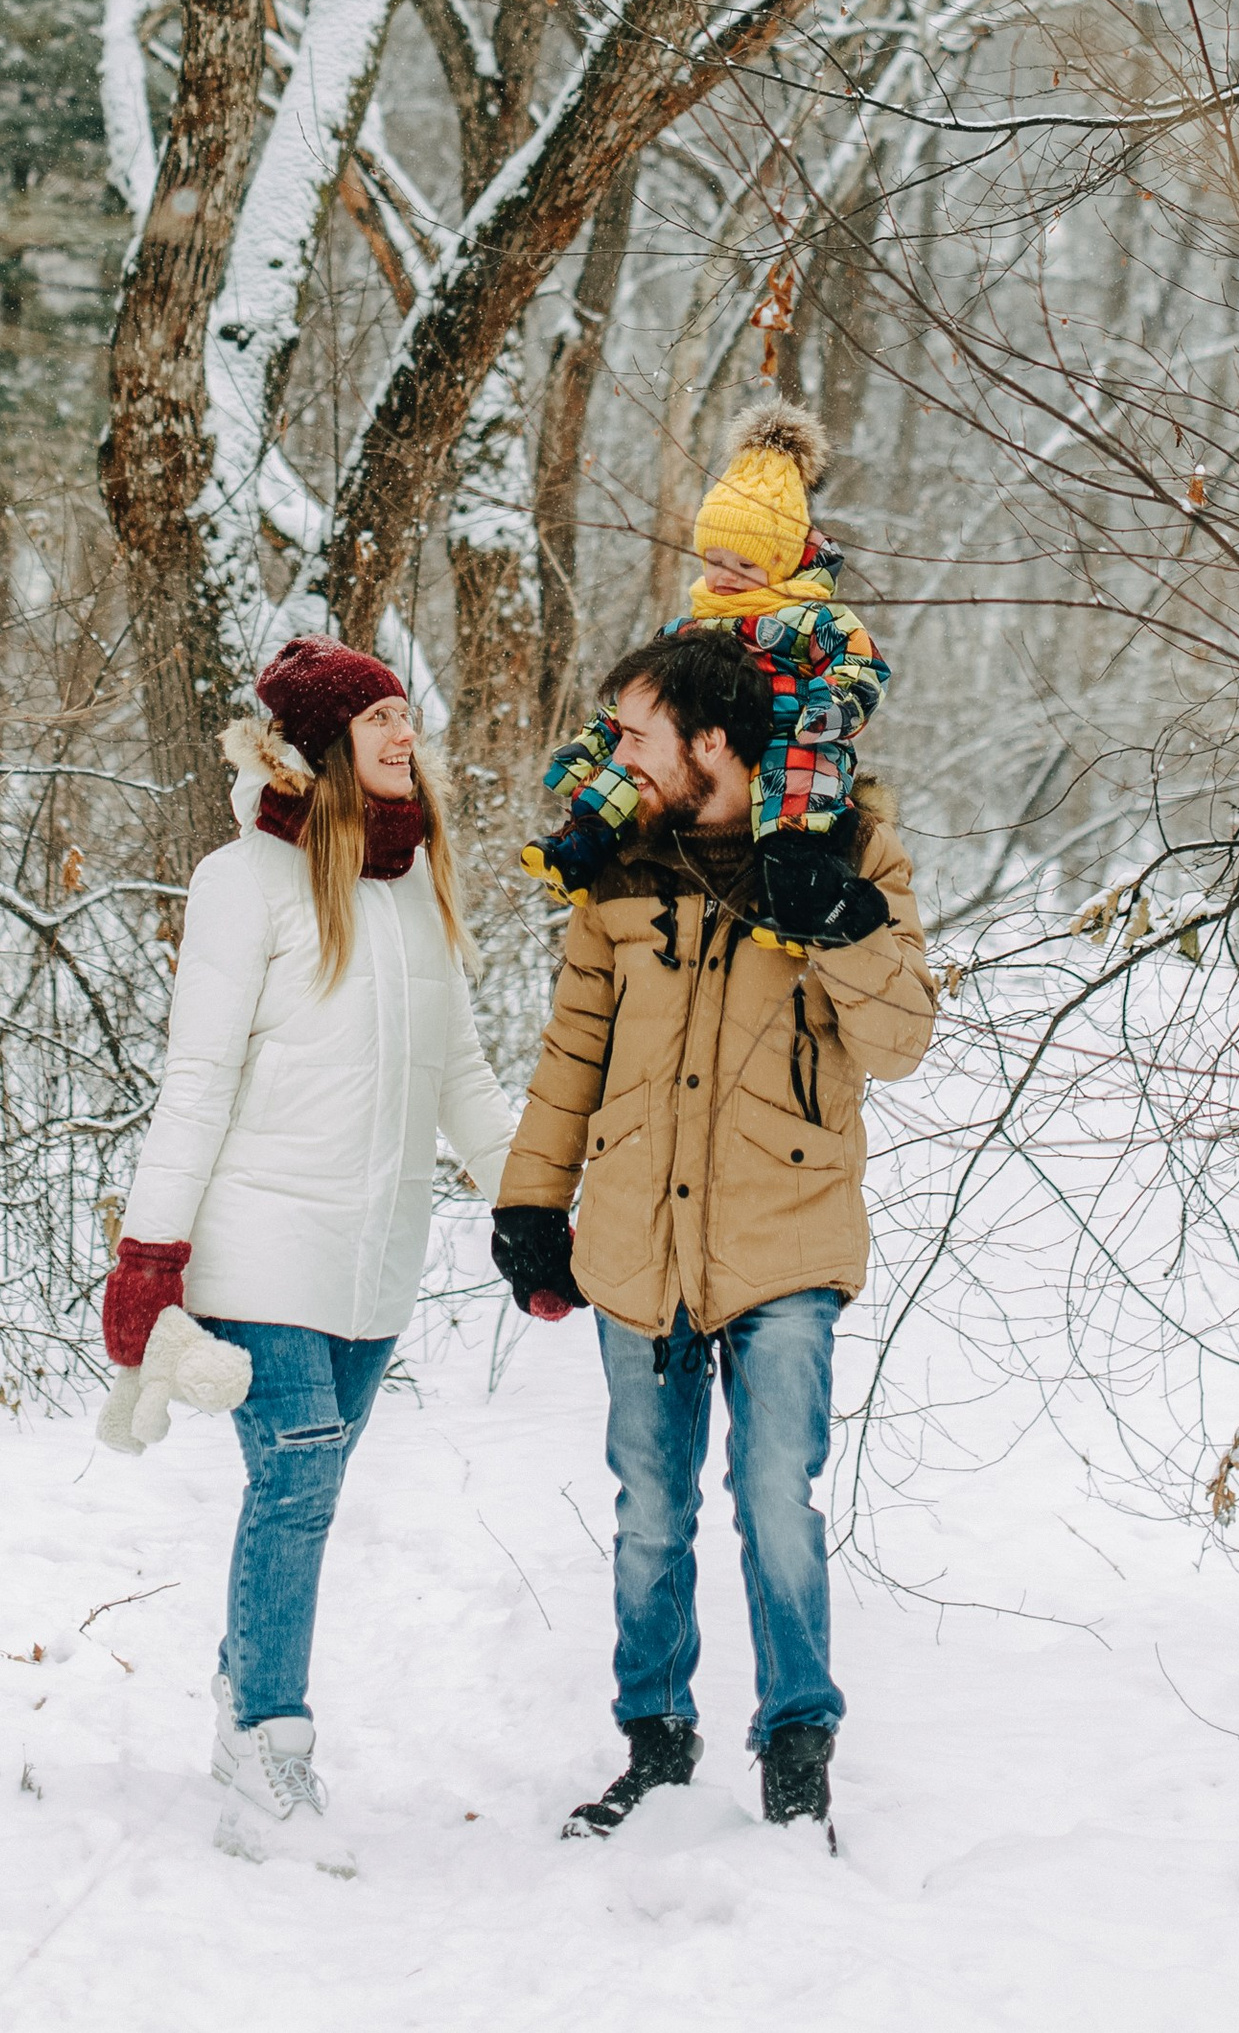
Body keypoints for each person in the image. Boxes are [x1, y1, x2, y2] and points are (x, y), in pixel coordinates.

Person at [490, 623, 937, 1848]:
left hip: (784, 1232)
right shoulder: (618, 865)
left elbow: (901, 1043)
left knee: (774, 1500)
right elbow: (573, 1044)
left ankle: (797, 1756)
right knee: (647, 1507)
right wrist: (532, 1199)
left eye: (636, 733)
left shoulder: (849, 845)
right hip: (636, 1236)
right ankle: (655, 1743)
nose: (613, 754)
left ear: (713, 743)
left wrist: (839, 920)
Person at [101, 635, 515, 1870]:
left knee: (307, 1496)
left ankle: (240, 1688)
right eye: (382, 719)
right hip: (260, 1246)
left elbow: (464, 1077)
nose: (406, 737)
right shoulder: (245, 882)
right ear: (325, 744)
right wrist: (150, 1252)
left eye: (408, 718)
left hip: (373, 1259)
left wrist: (536, 1210)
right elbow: (198, 1077)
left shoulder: (413, 879)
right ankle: (269, 1739)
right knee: (297, 1478)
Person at [523, 403, 890, 945]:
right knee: (645, 756)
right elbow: (637, 700)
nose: (726, 578)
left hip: (793, 736)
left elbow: (862, 668)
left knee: (792, 792)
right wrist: (597, 740)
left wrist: (829, 708)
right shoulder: (690, 627)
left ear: (784, 563)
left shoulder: (816, 616)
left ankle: (798, 902)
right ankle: (579, 848)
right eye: (715, 560)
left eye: (747, 566)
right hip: (697, 748)